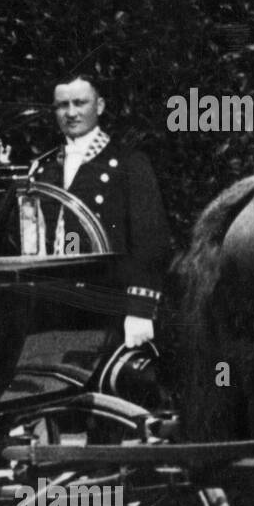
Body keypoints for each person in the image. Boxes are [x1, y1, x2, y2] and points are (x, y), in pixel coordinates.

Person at [37, 73, 172, 349]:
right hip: (52, 312)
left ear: (99, 106)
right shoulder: (44, 167)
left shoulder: (128, 163)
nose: (71, 112)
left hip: (111, 309)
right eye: (62, 105)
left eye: (80, 103)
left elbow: (150, 242)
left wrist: (140, 309)